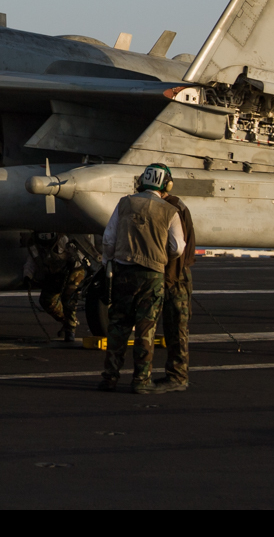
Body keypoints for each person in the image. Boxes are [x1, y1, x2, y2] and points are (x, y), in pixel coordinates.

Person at [98, 164, 185, 394]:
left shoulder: (125, 203)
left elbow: (108, 239)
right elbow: (177, 248)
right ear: (167, 184)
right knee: (146, 329)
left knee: (118, 327)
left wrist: (109, 261)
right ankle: (141, 380)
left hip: (124, 272)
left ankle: (110, 377)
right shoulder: (170, 211)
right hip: (152, 274)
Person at [158, 180, 197, 393]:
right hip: (175, 274)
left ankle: (178, 376)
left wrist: (169, 275)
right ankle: (175, 375)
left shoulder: (172, 208)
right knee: (175, 328)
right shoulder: (176, 205)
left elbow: (177, 248)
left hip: (175, 275)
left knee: (177, 329)